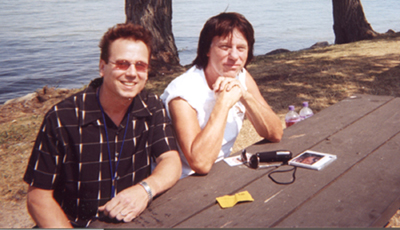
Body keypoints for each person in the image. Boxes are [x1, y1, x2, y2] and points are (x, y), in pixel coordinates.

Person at [23, 23, 182, 228]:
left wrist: (145, 189)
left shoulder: (151, 106)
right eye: (122, 63)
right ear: (102, 67)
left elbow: (171, 160)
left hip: (133, 220)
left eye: (140, 65)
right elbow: (38, 198)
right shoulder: (62, 118)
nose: (132, 73)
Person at [161, 12, 283, 178]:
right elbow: (200, 164)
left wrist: (244, 96)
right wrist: (223, 103)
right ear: (207, 50)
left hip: (222, 171)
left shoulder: (240, 75)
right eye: (225, 47)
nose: (234, 57)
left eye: (241, 48)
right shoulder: (183, 94)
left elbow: (275, 133)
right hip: (185, 182)